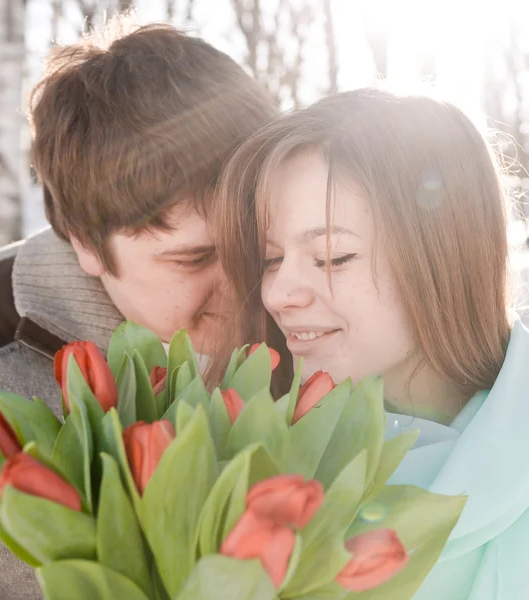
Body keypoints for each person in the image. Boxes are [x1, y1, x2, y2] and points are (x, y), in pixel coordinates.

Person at [0, 16, 277, 600]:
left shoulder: (310, 311)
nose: (247, 284)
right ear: (86, 242)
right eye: (193, 259)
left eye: (258, 242)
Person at [214, 88, 529, 599]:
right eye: (271, 258)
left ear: (444, 256)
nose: (276, 294)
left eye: (333, 257)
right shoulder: (239, 463)